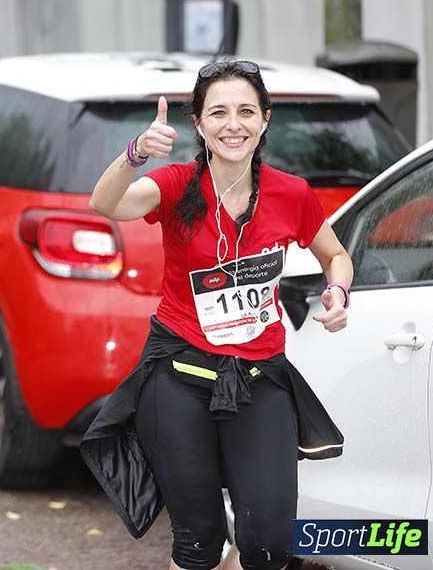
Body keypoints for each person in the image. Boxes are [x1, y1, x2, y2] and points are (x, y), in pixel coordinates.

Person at [79, 60, 351, 570]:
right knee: (198, 544)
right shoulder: (176, 184)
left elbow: (335, 255)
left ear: (265, 120)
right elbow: (106, 203)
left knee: (269, 544)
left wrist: (338, 291)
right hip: (179, 378)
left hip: (259, 376)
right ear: (199, 123)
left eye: (246, 111)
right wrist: (136, 153)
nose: (233, 125)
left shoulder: (290, 193)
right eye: (219, 113)